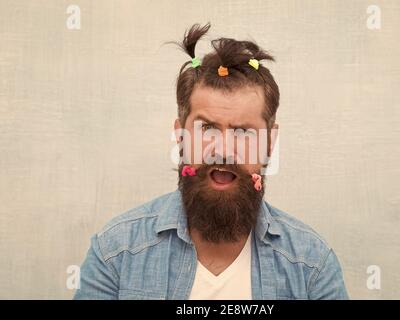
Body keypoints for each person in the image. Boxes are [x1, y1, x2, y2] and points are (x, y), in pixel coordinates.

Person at [74, 23, 349, 300]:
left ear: (269, 143)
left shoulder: (312, 265)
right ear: (180, 136)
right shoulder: (115, 253)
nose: (224, 150)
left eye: (243, 132)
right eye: (207, 129)